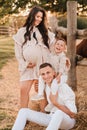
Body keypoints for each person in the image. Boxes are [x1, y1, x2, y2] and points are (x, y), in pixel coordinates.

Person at [12, 63, 77, 130]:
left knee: (58, 112)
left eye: (48, 72)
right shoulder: (47, 86)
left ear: (54, 73)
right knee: (23, 111)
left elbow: (73, 114)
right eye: (43, 74)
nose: (46, 76)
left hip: (68, 121)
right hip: (52, 117)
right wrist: (40, 92)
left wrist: (55, 103)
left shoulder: (64, 88)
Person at [13, 6, 55, 108]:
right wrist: (25, 64)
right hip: (27, 67)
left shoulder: (45, 31)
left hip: (41, 66)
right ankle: (23, 114)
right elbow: (18, 51)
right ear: (32, 16)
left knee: (41, 90)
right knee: (23, 90)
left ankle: (43, 113)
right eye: (37, 16)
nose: (39, 19)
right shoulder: (22, 31)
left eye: (41, 17)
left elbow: (53, 45)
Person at [31, 38, 71, 109]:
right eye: (57, 44)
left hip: (62, 75)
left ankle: (53, 103)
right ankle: (40, 94)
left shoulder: (62, 57)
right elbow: (47, 64)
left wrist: (59, 75)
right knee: (41, 78)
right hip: (53, 74)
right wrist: (44, 73)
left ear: (64, 48)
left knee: (54, 84)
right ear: (54, 45)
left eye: (61, 45)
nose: (59, 46)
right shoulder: (51, 54)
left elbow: (62, 67)